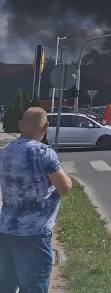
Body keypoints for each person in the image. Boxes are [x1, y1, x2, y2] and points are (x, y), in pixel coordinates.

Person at [0, 107, 72, 293]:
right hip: (33, 234)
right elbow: (64, 187)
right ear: (46, 127)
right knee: (33, 287)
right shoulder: (43, 153)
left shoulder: (4, 151)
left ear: (20, 125)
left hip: (6, 229)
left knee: (6, 286)